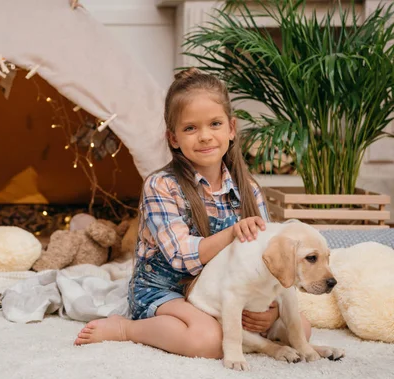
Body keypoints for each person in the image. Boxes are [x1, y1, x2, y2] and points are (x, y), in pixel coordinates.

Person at [74, 68, 311, 358]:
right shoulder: (161, 186)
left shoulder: (247, 188)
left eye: (214, 124)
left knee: (303, 329)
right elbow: (182, 257)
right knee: (208, 341)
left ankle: (229, 324)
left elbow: (270, 253)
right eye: (190, 128)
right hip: (167, 290)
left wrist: (271, 310)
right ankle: (126, 329)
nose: (205, 136)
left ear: (231, 128)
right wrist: (232, 233)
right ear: (173, 138)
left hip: (222, 290)